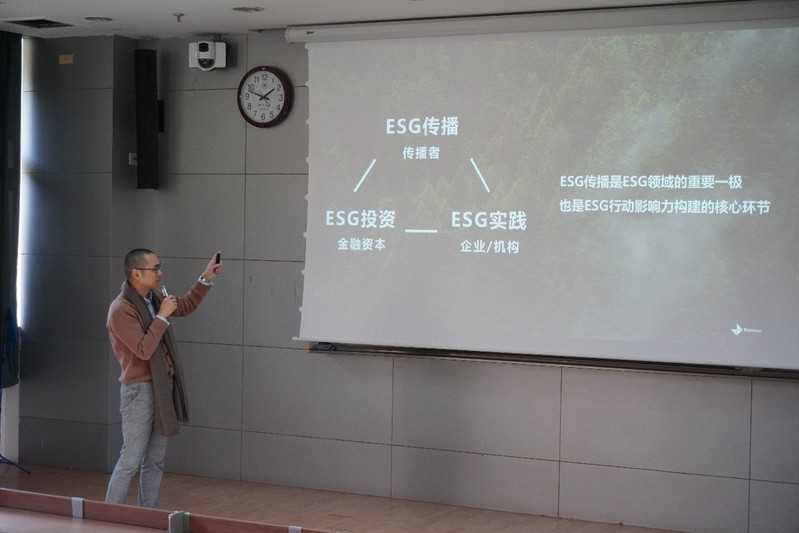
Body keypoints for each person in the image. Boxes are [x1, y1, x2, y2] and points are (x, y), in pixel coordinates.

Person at [105, 249, 223, 507]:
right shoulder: (120, 309)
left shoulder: (154, 297)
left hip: (162, 387)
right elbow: (143, 349)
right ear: (136, 273)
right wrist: (161, 317)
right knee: (131, 460)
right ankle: (107, 515)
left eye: (159, 267)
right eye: (155, 269)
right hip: (139, 391)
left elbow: (186, 305)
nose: (160, 273)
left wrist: (205, 278)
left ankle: (147, 514)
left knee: (155, 460)